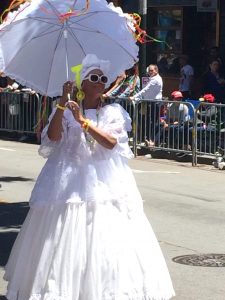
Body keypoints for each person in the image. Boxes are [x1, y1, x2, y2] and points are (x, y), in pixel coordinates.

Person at [4, 54, 175, 300]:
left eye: (102, 78)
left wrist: (83, 122)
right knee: (64, 235)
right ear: (81, 83)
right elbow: (52, 138)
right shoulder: (64, 108)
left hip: (105, 181)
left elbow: (110, 143)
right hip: (68, 181)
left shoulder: (113, 111)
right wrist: (63, 103)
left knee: (105, 237)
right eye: (93, 77)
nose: (99, 81)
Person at [131, 64, 163, 146]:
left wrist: (134, 96)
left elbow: (145, 89)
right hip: (151, 102)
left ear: (156, 70)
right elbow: (147, 92)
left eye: (152, 70)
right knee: (151, 121)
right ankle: (149, 139)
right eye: (149, 70)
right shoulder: (153, 78)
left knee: (154, 122)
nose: (150, 72)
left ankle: (153, 141)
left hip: (155, 102)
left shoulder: (155, 79)